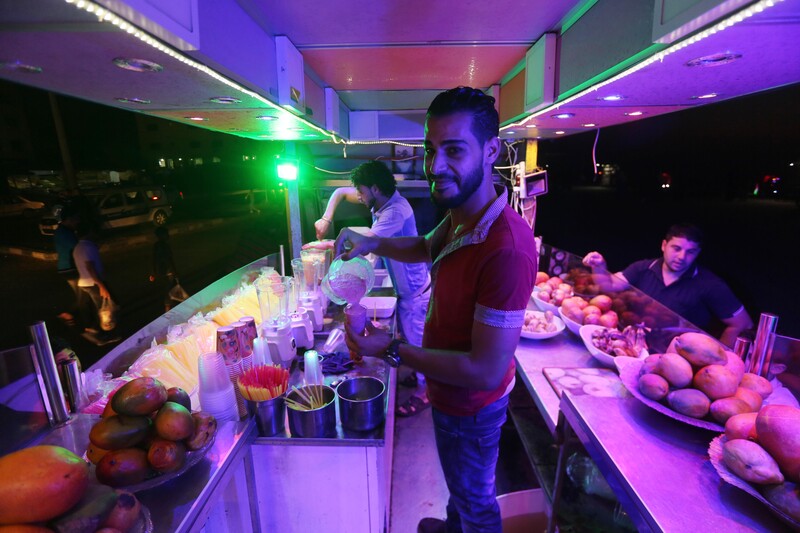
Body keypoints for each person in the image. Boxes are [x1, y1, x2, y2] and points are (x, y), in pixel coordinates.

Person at [335, 87, 537, 533]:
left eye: (454, 150)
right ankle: (451, 527)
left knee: (477, 501)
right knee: (461, 487)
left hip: (472, 404)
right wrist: (372, 241)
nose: (435, 166)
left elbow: (485, 370)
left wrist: (391, 349)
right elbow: (425, 246)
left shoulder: (506, 248)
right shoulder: (465, 214)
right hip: (449, 394)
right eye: (430, 149)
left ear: (491, 151)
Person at [315, 160, 432, 417]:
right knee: (411, 339)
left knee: (417, 341)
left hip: (414, 293)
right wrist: (327, 217)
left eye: (361, 191)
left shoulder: (395, 213)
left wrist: (329, 245)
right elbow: (339, 193)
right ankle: (419, 374)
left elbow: (366, 242)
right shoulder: (380, 200)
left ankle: (425, 391)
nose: (357, 195)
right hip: (406, 290)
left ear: (375, 188)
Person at [582, 223, 753, 347]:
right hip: (632, 344)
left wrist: (720, 355)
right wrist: (599, 266)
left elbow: (742, 323)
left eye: (690, 252)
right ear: (664, 245)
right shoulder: (643, 268)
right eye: (676, 248)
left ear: (698, 253)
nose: (681, 257)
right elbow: (610, 284)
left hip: (677, 359)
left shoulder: (710, 284)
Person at [73, 224, 120, 346]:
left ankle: (93, 329)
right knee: (106, 311)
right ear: (89, 233)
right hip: (93, 282)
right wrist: (101, 286)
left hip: (84, 282)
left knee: (101, 308)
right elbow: (90, 267)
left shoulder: (77, 247)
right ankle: (105, 335)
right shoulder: (88, 246)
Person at [54, 204, 81, 326]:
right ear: (69, 219)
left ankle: (71, 317)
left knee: (81, 296)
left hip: (66, 267)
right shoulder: (64, 233)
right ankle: (69, 316)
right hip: (69, 268)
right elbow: (77, 247)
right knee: (82, 297)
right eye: (75, 219)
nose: (77, 221)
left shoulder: (63, 231)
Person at [149, 226, 180, 312]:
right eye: (166, 234)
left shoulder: (156, 246)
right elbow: (169, 260)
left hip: (160, 273)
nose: (168, 235)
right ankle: (169, 313)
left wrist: (153, 273)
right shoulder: (165, 246)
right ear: (162, 235)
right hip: (168, 273)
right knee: (170, 294)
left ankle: (170, 311)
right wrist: (175, 271)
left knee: (168, 293)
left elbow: (154, 259)